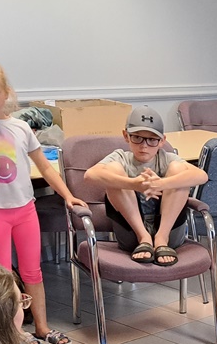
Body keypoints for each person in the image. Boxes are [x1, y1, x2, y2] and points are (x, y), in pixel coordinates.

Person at [0, 59, 86, 344]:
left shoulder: (21, 127)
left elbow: (46, 167)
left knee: (33, 272)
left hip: (24, 209)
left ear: (6, 93)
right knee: (2, 275)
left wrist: (67, 194)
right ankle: (12, 332)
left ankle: (41, 327)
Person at [83, 104, 208, 267]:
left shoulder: (167, 159)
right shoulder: (120, 157)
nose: (144, 146)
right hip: (131, 234)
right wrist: (133, 184)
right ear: (126, 136)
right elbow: (90, 175)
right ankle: (144, 237)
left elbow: (202, 175)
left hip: (169, 233)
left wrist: (161, 183)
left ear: (162, 141)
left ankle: (161, 238)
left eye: (152, 140)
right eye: (137, 138)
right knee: (113, 173)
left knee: (180, 173)